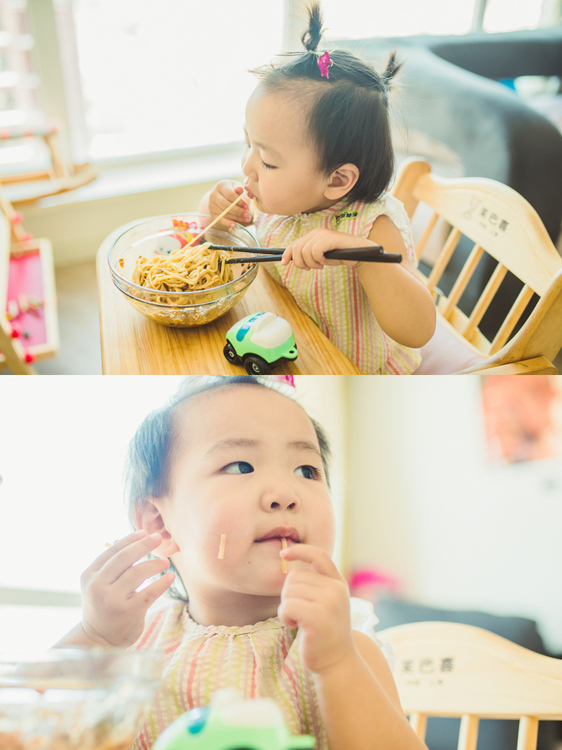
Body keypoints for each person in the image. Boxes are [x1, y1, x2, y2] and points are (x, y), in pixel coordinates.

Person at [54, 376, 426, 750]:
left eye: (306, 470)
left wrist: (335, 664)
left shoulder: (341, 645)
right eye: (240, 466)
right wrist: (93, 637)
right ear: (158, 522)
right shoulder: (131, 646)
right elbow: (29, 730)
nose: (285, 493)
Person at [199, 3, 436, 375]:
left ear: (337, 180)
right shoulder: (281, 201)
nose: (247, 167)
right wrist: (214, 214)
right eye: (248, 144)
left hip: (350, 367)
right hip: (289, 337)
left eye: (269, 161)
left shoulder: (372, 226)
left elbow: (418, 329)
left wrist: (364, 257)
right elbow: (218, 249)